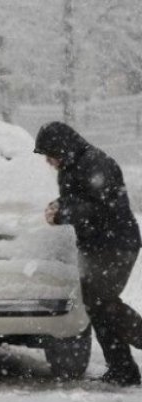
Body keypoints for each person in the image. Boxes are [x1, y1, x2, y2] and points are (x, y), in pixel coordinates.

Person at [35, 121, 142, 386]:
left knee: (103, 303)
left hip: (115, 245)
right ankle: (122, 369)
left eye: (50, 154)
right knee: (97, 305)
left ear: (63, 147)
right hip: (98, 246)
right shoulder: (72, 165)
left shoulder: (95, 163)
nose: (48, 162)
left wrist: (64, 212)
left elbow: (99, 208)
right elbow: (79, 201)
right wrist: (60, 206)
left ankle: (124, 366)